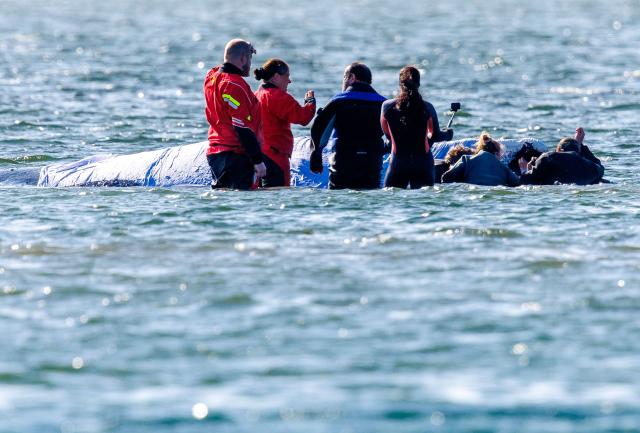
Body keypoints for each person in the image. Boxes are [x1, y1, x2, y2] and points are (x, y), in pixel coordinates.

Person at [309, 62, 387, 189]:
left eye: (344, 78)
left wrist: (316, 154)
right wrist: (387, 148)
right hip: (372, 162)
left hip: (343, 162)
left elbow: (319, 129)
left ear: (352, 77)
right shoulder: (383, 103)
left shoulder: (338, 101)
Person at [203, 39, 266, 190]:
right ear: (243, 58)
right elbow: (241, 128)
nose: (250, 65)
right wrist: (258, 161)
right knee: (243, 204)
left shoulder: (211, 77)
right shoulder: (235, 86)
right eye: (249, 59)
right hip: (235, 156)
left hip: (216, 154)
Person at [380, 66, 454, 188]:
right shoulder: (427, 107)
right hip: (423, 163)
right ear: (418, 84)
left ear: (400, 84)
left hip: (398, 163)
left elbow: (388, 135)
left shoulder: (386, 107)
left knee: (392, 200)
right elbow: (435, 135)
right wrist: (448, 134)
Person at [254, 59, 316, 187]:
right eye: (287, 76)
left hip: (258, 157)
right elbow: (303, 118)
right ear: (276, 77)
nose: (289, 80)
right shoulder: (277, 96)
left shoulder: (256, 95)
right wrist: (310, 102)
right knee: (279, 194)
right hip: (275, 157)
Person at [519, 127, 604, 185]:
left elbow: (528, 181)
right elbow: (599, 166)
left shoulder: (549, 157)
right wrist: (580, 144)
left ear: (559, 150)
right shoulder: (592, 168)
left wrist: (524, 171)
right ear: (578, 152)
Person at [442, 132, 520, 186]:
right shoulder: (503, 168)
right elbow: (518, 183)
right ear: (496, 153)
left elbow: (446, 177)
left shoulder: (466, 159)